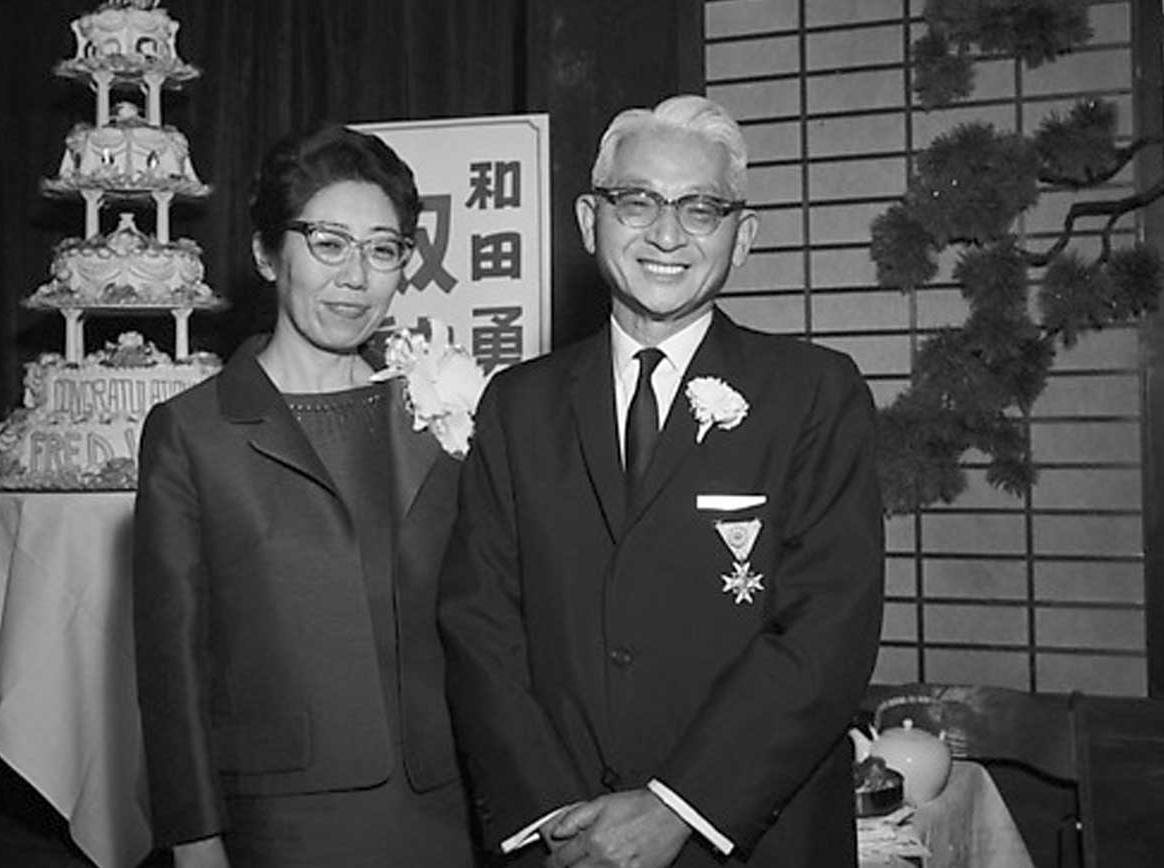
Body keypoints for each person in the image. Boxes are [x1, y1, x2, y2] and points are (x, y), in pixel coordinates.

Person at [438, 94, 884, 868]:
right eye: (637, 201)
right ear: (590, 221)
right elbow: (480, 625)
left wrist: (678, 806)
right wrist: (557, 818)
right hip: (563, 839)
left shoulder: (814, 393)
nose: (667, 234)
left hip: (749, 838)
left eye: (701, 208)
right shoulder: (517, 405)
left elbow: (827, 632)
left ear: (743, 238)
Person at [133, 124, 477, 868]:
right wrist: (195, 842)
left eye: (383, 250)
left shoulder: (437, 408)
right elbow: (172, 667)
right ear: (267, 254)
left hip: (448, 804)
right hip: (282, 818)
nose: (356, 277)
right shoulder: (193, 432)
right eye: (328, 244)